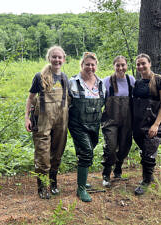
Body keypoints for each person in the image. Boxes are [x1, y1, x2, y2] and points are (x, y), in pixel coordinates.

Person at [24, 46, 68, 199]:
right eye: (54, 57)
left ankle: (53, 182)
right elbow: (30, 98)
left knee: (57, 154)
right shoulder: (40, 76)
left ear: (64, 59)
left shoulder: (64, 78)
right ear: (49, 58)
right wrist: (27, 118)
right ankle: (42, 187)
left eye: (59, 57)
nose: (57, 59)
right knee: (43, 155)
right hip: (42, 122)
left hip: (61, 123)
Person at [68, 52, 106, 202]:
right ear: (82, 65)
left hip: (94, 124)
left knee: (88, 150)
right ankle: (81, 189)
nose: (90, 67)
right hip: (77, 124)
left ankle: (82, 180)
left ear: (96, 66)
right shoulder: (72, 82)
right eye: (87, 64)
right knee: (86, 153)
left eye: (92, 64)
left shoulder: (101, 83)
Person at [132, 53, 161, 195]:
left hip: (154, 121)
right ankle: (149, 174)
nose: (141, 66)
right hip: (139, 123)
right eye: (138, 64)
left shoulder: (159, 80)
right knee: (145, 150)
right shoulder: (138, 83)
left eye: (143, 63)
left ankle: (146, 180)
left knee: (149, 150)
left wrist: (156, 124)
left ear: (149, 64)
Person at [101, 56, 135, 187]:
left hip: (127, 120)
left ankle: (118, 169)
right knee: (110, 146)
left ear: (127, 65)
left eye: (123, 65)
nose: (120, 68)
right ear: (114, 66)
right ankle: (106, 173)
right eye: (117, 65)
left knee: (125, 146)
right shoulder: (106, 81)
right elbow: (99, 100)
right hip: (110, 120)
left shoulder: (130, 80)